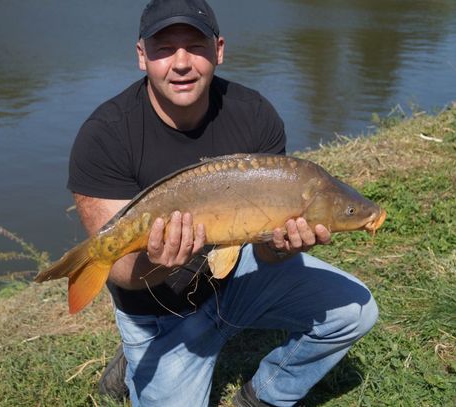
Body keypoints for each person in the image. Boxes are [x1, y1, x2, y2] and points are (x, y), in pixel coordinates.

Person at [67, 0, 378, 406]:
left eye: (195, 46)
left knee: (355, 311)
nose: (181, 63)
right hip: (159, 312)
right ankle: (134, 355)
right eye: (164, 48)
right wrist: (161, 259)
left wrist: (280, 248)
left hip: (233, 274)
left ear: (219, 50)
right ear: (142, 56)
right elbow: (122, 273)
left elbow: (266, 253)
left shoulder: (255, 115)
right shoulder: (105, 136)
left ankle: (263, 396)